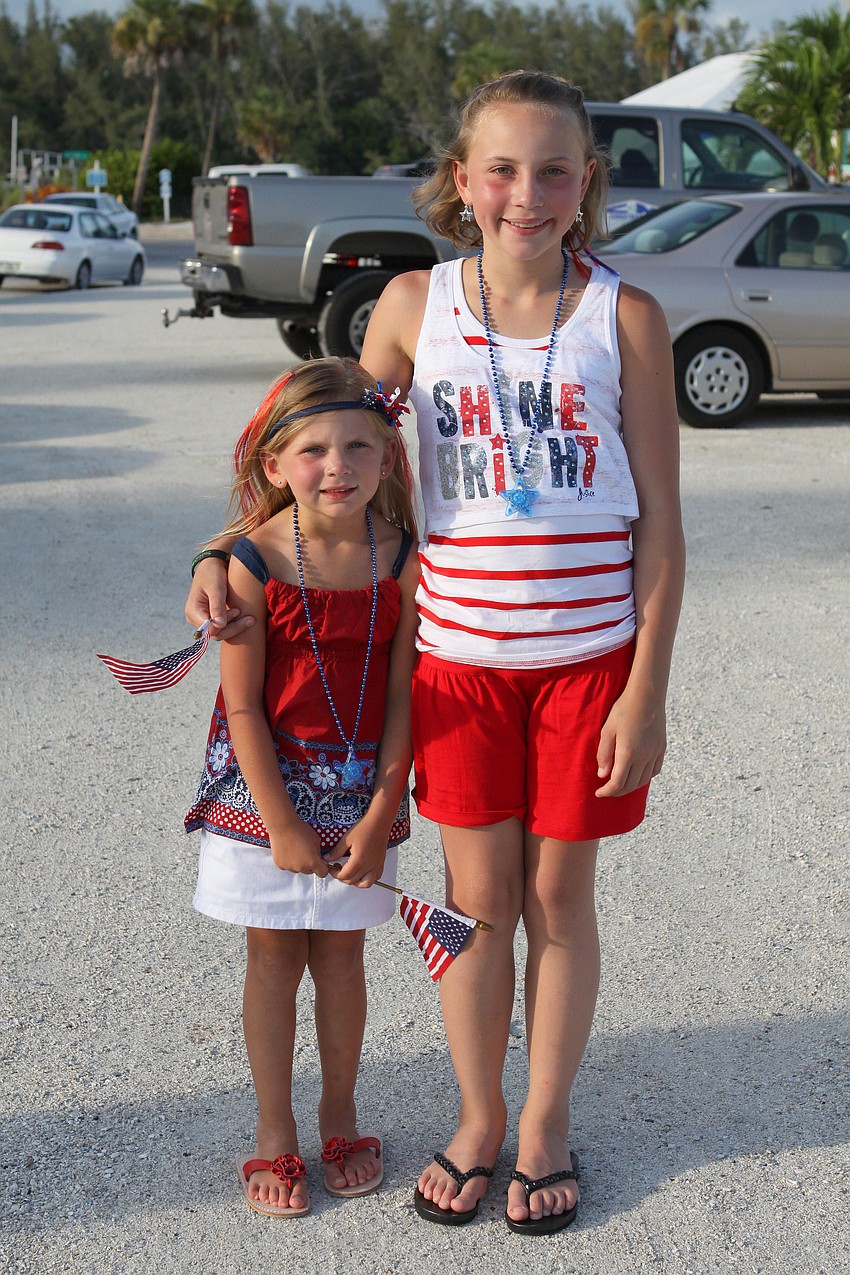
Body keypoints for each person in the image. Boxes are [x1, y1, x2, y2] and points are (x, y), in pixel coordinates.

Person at [188, 69, 685, 1234]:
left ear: (587, 185)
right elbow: (321, 445)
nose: (527, 192)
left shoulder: (625, 318)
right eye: (500, 168)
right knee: (474, 907)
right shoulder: (412, 306)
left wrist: (647, 688)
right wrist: (227, 547)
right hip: (456, 668)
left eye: (553, 168)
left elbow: (660, 517)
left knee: (560, 902)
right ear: (460, 183)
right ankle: (475, 1117)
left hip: (587, 664)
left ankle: (543, 1127)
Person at [185, 357, 420, 1217]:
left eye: (361, 445)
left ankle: (341, 1113)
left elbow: (403, 699)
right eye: (314, 448)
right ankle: (276, 1129)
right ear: (276, 463)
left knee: (345, 960)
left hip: (362, 796)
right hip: (266, 795)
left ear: (390, 459)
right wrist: (280, 825)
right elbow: (242, 706)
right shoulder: (253, 559)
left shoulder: (400, 555)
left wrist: (384, 809)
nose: (339, 466)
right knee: (274, 956)